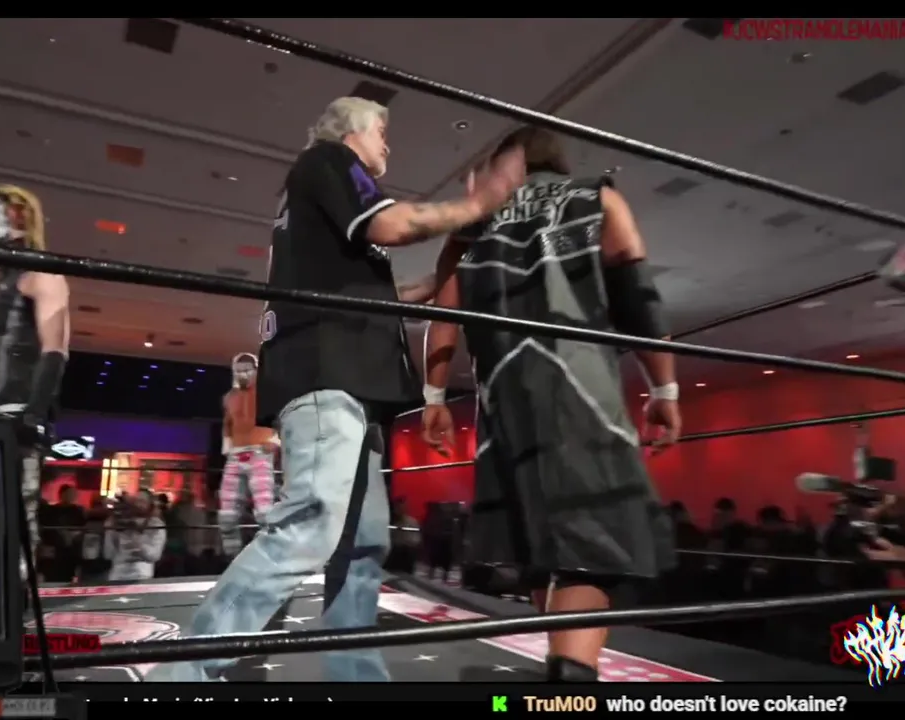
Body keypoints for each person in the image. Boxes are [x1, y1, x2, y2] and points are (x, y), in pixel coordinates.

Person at [147, 96, 524, 683]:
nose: (387, 144)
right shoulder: (328, 160)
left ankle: (356, 677)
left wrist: (449, 263)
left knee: (362, 543)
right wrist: (478, 203)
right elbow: (393, 224)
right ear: (351, 131)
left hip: (351, 386)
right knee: (312, 525)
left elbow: (383, 295)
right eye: (381, 131)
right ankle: (183, 672)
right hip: (328, 376)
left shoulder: (322, 207)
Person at [420, 127, 678, 682]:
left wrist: (434, 397)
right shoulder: (595, 198)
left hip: (502, 405)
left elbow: (443, 314)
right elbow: (639, 298)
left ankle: (562, 669)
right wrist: (665, 389)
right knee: (598, 544)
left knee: (539, 541)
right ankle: (571, 679)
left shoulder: (476, 219)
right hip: (579, 392)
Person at [0, 184, 71, 572]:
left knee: (15, 518)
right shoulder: (3, 283)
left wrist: (34, 414)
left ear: (20, 214)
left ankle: (17, 596)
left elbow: (55, 347)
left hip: (16, 412)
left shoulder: (42, 272)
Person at [217, 352, 279, 556]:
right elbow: (227, 423)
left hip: (259, 452)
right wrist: (227, 447)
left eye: (247, 370)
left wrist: (274, 442)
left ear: (256, 370)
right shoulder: (229, 397)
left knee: (264, 511)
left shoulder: (268, 393)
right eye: (239, 371)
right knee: (226, 514)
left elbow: (282, 417)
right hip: (236, 454)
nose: (243, 374)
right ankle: (232, 558)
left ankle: (270, 555)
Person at [105, 492, 167, 582]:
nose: (138, 505)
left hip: (141, 573)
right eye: (136, 501)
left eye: (142, 501)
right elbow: (108, 554)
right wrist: (111, 530)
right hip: (118, 572)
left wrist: (138, 545)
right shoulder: (117, 522)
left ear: (150, 504)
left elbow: (155, 555)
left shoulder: (156, 524)